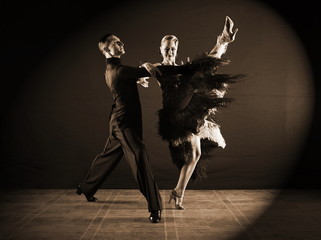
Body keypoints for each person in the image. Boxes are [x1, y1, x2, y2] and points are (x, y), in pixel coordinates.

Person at [76, 33, 193, 223]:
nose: (122, 43)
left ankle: (86, 187)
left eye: (121, 40)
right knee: (140, 154)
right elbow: (157, 72)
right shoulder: (119, 71)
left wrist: (144, 67)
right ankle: (155, 208)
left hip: (119, 121)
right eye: (116, 43)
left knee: (109, 155)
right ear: (106, 50)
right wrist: (185, 68)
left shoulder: (112, 69)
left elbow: (137, 72)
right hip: (124, 124)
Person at [139, 16, 242, 210]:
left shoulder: (183, 69)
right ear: (161, 50)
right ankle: (221, 43)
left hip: (188, 114)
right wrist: (143, 69)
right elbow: (140, 70)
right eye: (167, 49)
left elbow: (202, 65)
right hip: (173, 116)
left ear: (176, 50)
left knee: (195, 154)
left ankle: (178, 192)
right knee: (196, 72)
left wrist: (220, 45)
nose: (170, 51)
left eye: (173, 49)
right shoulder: (158, 67)